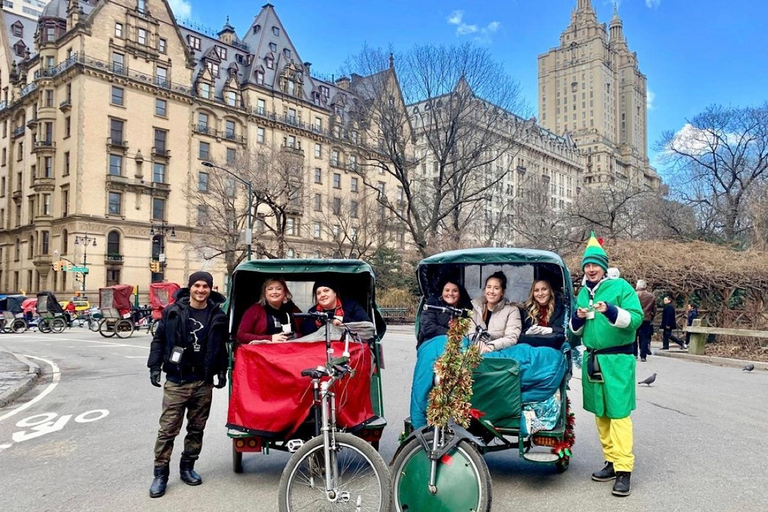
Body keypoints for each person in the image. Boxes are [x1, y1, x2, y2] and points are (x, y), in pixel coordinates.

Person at [569, 232, 643, 497]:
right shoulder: (582, 293)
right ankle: (611, 461)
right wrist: (578, 318)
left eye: (595, 265)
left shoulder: (621, 287)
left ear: (603, 266)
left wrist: (611, 310)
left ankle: (624, 470)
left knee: (618, 414)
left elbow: (636, 319)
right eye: (587, 265)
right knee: (600, 413)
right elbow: (574, 332)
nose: (591, 269)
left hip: (617, 360)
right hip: (593, 359)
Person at [146, 271, 228, 499]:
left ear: (210, 289)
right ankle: (160, 474)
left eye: (205, 286)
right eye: (197, 285)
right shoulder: (173, 311)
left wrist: (222, 371)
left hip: (203, 381)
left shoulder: (217, 314)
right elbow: (159, 340)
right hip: (177, 380)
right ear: (190, 287)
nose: (201, 290)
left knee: (196, 429)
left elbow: (221, 346)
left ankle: (187, 467)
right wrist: (154, 366)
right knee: (167, 430)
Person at [236, 278, 303, 345]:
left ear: (285, 292)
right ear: (264, 293)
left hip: (291, 349)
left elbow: (305, 332)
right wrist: (270, 338)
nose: (274, 292)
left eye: (278, 289)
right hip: (263, 350)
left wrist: (295, 336)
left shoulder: (293, 310)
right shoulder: (254, 310)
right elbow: (241, 335)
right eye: (270, 289)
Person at [470, 271, 521, 353]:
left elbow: (512, 337)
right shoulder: (477, 306)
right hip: (476, 349)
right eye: (488, 287)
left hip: (500, 351)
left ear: (502, 292)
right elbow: (470, 331)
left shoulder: (512, 310)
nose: (491, 291)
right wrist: (478, 342)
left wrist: (491, 346)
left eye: (496, 288)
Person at [301, 279, 370, 334]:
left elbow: (367, 327)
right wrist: (319, 321)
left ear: (335, 293)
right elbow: (305, 332)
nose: (322, 295)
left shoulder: (352, 306)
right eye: (318, 293)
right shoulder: (313, 312)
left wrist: (343, 320)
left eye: (326, 291)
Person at [418, 278, 472, 347]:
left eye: (455, 291)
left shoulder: (466, 308)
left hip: (459, 343)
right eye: (447, 290)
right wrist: (451, 332)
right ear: (442, 292)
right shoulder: (432, 304)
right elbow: (428, 328)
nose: (450, 293)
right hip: (432, 342)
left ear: (460, 293)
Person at [634, 280, 656, 362]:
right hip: (646, 318)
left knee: (634, 336)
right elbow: (654, 308)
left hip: (636, 317)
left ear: (638, 286)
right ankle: (643, 355)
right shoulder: (651, 296)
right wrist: (652, 317)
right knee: (644, 337)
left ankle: (634, 354)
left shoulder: (634, 295)